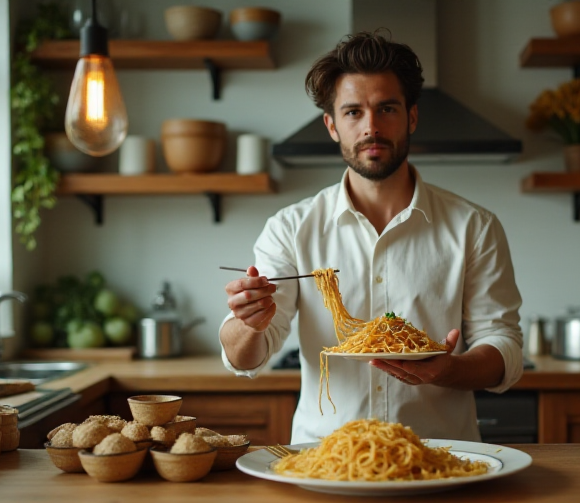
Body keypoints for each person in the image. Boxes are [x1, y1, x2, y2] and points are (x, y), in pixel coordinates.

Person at [219, 31, 523, 444]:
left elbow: (503, 345)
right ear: (332, 126)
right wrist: (249, 324)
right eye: (353, 113)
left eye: (387, 109)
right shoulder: (291, 228)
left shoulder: (474, 226)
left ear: (411, 117)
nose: (372, 127)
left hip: (438, 461)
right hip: (324, 462)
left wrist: (448, 371)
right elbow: (246, 358)